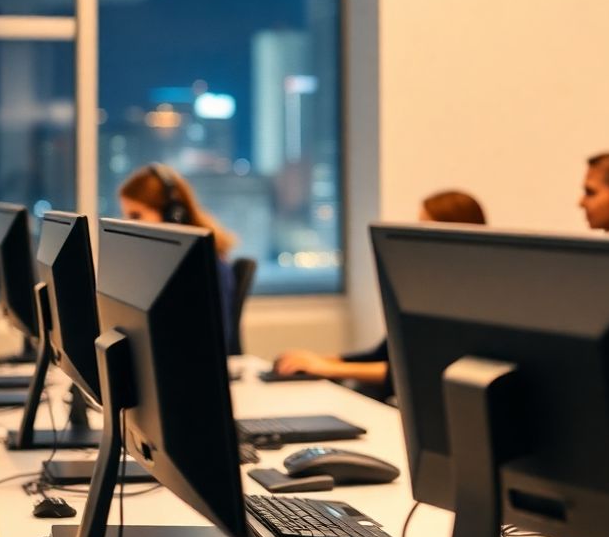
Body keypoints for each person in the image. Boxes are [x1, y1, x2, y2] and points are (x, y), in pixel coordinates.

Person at [272, 190, 487, 394]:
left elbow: (417, 372)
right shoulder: (428, 293)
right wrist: (318, 360)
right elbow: (383, 355)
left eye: (426, 229)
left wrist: (327, 368)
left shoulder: (468, 301)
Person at [118, 163, 241, 354]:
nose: (129, 225)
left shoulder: (210, 267)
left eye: (136, 215)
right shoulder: (154, 268)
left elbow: (212, 343)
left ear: (173, 216)